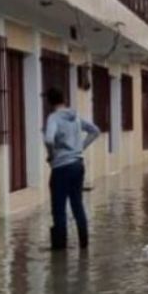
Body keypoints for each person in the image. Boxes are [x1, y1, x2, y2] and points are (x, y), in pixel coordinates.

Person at [43, 88, 100, 250]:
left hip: (61, 167)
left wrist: (51, 155)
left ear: (49, 102)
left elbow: (48, 139)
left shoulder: (53, 118)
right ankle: (84, 245)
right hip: (78, 165)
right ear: (64, 99)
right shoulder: (75, 117)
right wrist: (80, 148)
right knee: (77, 204)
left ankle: (60, 251)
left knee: (59, 208)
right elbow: (95, 131)